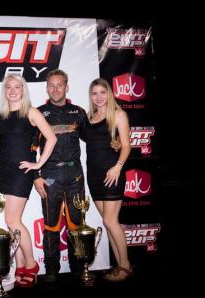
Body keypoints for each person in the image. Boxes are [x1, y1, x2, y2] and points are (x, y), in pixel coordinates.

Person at [0, 74, 56, 288]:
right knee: (9, 224)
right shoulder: (2, 114)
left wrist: (38, 165)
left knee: (13, 221)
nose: (12, 90)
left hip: (21, 172)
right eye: (8, 87)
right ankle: (19, 265)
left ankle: (31, 263)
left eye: (17, 87)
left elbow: (52, 138)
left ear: (23, 90)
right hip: (1, 171)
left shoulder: (31, 111)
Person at [32, 69, 89, 283]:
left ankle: (78, 268)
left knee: (77, 224)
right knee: (51, 224)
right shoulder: (38, 113)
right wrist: (36, 176)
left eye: (59, 85)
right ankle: (52, 270)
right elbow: (32, 148)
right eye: (51, 86)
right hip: (50, 175)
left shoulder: (78, 112)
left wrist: (114, 143)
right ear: (47, 88)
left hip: (75, 174)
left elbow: (92, 137)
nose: (56, 89)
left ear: (67, 87)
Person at [84, 78, 132, 282]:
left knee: (110, 221)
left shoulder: (118, 114)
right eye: (94, 93)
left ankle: (125, 266)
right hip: (94, 176)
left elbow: (127, 146)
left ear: (109, 94)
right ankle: (118, 264)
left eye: (102, 92)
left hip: (112, 173)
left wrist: (117, 167)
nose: (99, 97)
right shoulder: (91, 117)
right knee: (109, 222)